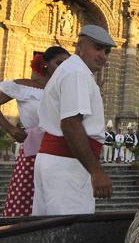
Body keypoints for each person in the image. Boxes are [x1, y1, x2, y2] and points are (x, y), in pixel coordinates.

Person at [32, 25, 116, 215]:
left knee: (48, 229)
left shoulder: (72, 71)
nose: (103, 55)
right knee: (69, 229)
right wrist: (96, 171)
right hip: (67, 165)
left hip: (59, 163)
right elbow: (71, 124)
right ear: (79, 46)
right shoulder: (77, 73)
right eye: (97, 48)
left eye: (107, 51)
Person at [0, 47, 70, 217]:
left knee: (55, 201)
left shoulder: (66, 91)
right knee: (25, 197)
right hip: (33, 150)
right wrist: (10, 128)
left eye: (66, 65)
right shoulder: (24, 86)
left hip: (61, 152)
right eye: (58, 63)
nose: (63, 68)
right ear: (45, 64)